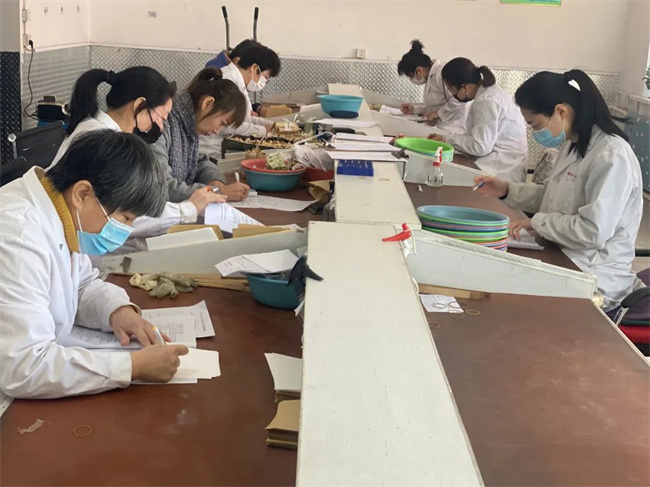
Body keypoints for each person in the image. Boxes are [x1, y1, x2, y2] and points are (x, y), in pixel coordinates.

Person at [0, 131, 189, 399]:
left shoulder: (61, 212)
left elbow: (81, 284)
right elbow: (23, 368)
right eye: (125, 218)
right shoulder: (16, 239)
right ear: (83, 194)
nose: (127, 229)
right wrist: (132, 366)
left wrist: (117, 311)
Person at [474, 70, 644, 312]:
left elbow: (592, 231)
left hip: (594, 275)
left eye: (535, 124)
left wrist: (537, 223)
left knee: (507, 299)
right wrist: (506, 190)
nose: (535, 132)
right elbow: (551, 196)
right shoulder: (573, 146)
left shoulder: (612, 156)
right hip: (563, 255)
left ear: (561, 111)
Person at [48, 67, 227, 254]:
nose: (161, 127)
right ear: (139, 105)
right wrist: (186, 210)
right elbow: (125, 214)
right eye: (161, 117)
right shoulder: (103, 142)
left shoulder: (106, 134)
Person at [152, 67, 250, 202]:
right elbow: (162, 186)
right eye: (222, 123)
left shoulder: (188, 122)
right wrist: (216, 192)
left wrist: (215, 180)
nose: (217, 131)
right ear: (207, 103)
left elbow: (197, 161)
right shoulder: (162, 122)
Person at [429, 58, 528, 182]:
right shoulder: (489, 93)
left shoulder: (486, 101)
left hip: (501, 169)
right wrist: (445, 139)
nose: (453, 95)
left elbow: (480, 146)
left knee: (445, 175)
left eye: (452, 90)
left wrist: (448, 139)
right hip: (502, 162)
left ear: (465, 87)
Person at [199, 40, 282, 159]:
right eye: (265, 77)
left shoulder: (239, 83)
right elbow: (227, 125)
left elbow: (242, 119)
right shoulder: (228, 81)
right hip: (211, 151)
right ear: (254, 68)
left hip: (220, 148)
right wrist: (262, 130)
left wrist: (267, 124)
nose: (264, 83)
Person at [397, 40, 468, 132]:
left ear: (419, 70)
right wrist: (414, 109)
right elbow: (435, 106)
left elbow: (458, 100)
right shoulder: (430, 77)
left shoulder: (441, 74)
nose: (412, 79)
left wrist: (438, 114)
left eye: (411, 76)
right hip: (442, 127)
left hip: (454, 127)